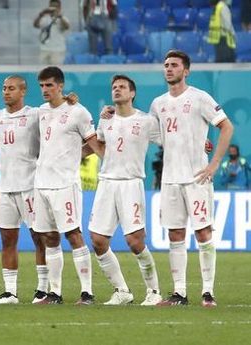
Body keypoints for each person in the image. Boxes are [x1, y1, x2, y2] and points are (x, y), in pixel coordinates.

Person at [150, 50, 234, 307]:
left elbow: (227, 126)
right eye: (166, 65)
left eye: (174, 65)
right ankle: (180, 293)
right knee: (175, 234)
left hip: (197, 177)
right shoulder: (158, 103)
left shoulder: (199, 98)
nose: (169, 69)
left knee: (203, 231)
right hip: (170, 179)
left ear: (186, 70)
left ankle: (208, 292)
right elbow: (156, 134)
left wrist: (214, 164)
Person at [88, 75, 163, 306]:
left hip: (131, 183)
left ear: (132, 93)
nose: (117, 89)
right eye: (114, 87)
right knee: (98, 240)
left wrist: (199, 144)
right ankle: (122, 290)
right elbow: (100, 145)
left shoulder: (146, 121)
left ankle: (154, 292)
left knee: (134, 241)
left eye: (122, 87)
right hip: (106, 183)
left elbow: (170, 140)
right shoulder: (105, 120)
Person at [33, 66, 104, 305]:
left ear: (60, 86)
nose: (45, 89)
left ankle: (87, 293)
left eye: (49, 85)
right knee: (50, 238)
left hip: (65, 184)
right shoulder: (41, 112)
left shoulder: (78, 112)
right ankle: (55, 293)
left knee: (73, 235)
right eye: (42, 85)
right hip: (41, 184)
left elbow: (93, 144)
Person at [0, 75, 49, 305]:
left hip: (30, 186)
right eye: (4, 88)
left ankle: (42, 289)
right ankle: (10, 292)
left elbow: (56, 112)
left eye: (11, 88)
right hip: (5, 187)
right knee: (7, 239)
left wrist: (69, 100)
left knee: (39, 238)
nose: (6, 92)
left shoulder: (34, 114)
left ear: (22, 91)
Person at [33, 0, 70, 65]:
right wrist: (41, 14)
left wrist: (59, 17)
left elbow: (66, 27)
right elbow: (35, 25)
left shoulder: (63, 18)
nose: (54, 8)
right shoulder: (44, 18)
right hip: (44, 49)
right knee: (43, 71)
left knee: (56, 71)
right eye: (52, 6)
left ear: (59, 7)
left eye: (56, 6)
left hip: (58, 50)